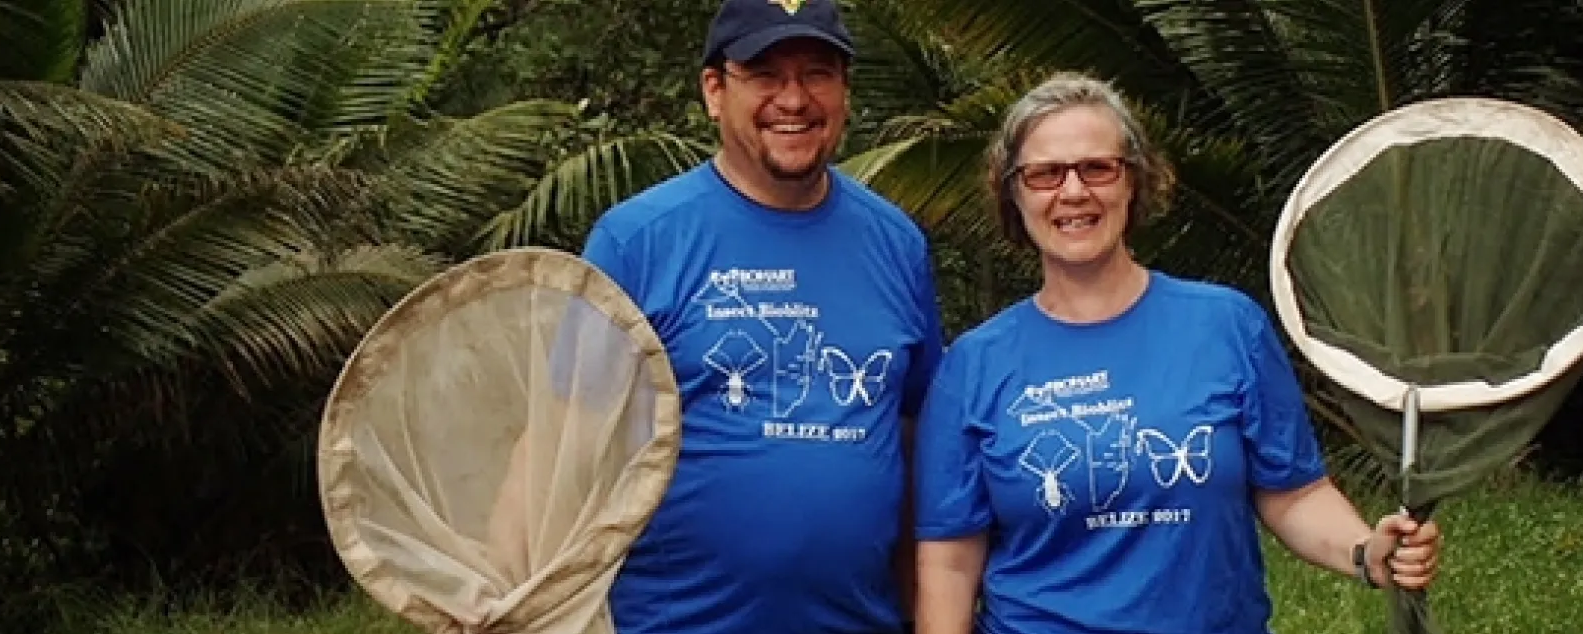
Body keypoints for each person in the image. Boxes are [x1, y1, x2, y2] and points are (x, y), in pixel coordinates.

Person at [910, 72, 1443, 634]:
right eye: (1045, 174)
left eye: (1098, 168)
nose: (1073, 192)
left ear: (1133, 181)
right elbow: (949, 563)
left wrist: (1365, 552)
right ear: (1013, 193)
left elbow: (1295, 494)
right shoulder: (974, 365)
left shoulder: (1226, 325)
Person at [576, 0, 944, 632]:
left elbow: (915, 438)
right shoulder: (636, 242)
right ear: (714, 91)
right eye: (765, 74)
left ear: (845, 92)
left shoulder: (896, 243)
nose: (793, 99)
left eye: (817, 73)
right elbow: (557, 444)